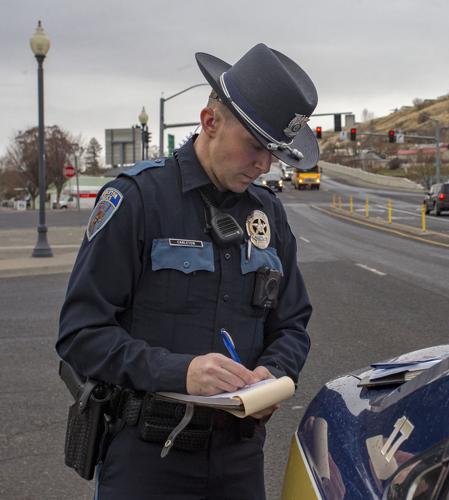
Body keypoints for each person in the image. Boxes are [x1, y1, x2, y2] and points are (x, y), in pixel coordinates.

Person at [56, 43, 317, 499]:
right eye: (255, 145)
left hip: (239, 458)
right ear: (210, 122)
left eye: (274, 152)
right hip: (147, 459)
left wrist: (272, 374)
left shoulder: (269, 215)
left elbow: (293, 323)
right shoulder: (136, 200)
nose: (264, 165)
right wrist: (180, 372)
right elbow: (81, 333)